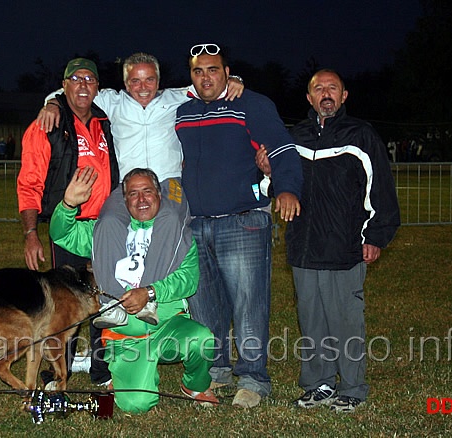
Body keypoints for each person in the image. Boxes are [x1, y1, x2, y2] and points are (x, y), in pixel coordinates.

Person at [37, 53, 244, 303]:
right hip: (128, 186)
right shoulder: (112, 101)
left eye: (149, 80)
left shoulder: (176, 97)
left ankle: (147, 295)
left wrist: (235, 78)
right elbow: (68, 94)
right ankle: (112, 301)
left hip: (168, 183)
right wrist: (52, 104)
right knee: (108, 222)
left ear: (159, 81)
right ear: (125, 83)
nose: (142, 87)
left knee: (169, 218)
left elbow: (210, 84)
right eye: (135, 81)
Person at [262, 69, 400, 413]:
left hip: (344, 247)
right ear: (309, 98)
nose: (325, 93)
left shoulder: (361, 136)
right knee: (312, 321)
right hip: (304, 248)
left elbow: (379, 190)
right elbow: (278, 190)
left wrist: (375, 236)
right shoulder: (294, 138)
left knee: (346, 321)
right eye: (318, 88)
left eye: (332, 88)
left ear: (344, 95)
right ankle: (318, 384)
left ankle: (352, 387)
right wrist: (267, 172)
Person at [175, 43, 304, 409]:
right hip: (196, 224)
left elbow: (280, 147)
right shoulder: (183, 112)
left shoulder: (251, 104)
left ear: (227, 72)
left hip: (243, 221)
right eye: (198, 71)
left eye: (213, 70)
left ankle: (253, 378)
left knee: (249, 303)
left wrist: (287, 188)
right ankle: (215, 371)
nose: (206, 78)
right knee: (203, 305)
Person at [50, 166, 217, 413]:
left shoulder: (178, 233)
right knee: (137, 405)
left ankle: (194, 385)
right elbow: (61, 234)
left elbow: (188, 280)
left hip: (167, 326)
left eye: (147, 192)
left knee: (202, 340)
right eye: (133, 194)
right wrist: (67, 205)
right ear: (124, 199)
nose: (141, 199)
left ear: (160, 195)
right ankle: (129, 375)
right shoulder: (105, 231)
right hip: (125, 337)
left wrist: (150, 292)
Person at [16, 57, 119, 386]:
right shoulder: (47, 125)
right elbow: (29, 183)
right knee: (66, 303)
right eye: (76, 79)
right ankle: (57, 370)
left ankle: (101, 370)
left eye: (90, 79)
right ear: (64, 86)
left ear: (98, 88)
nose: (84, 85)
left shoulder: (105, 122)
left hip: (105, 226)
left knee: (104, 298)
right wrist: (31, 234)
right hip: (69, 225)